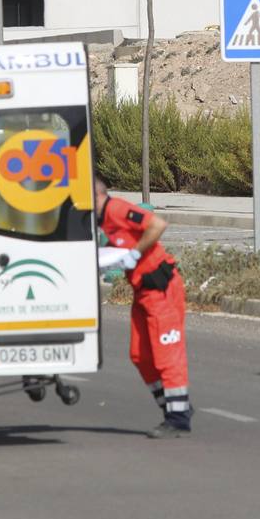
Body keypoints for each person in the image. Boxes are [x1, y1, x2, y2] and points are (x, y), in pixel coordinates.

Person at [94, 176, 192, 438]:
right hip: (143, 292)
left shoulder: (116, 209)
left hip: (161, 289)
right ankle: (174, 406)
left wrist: (135, 252)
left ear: (96, 195)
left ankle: (178, 417)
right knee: (140, 355)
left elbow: (158, 224)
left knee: (166, 354)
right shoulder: (102, 220)